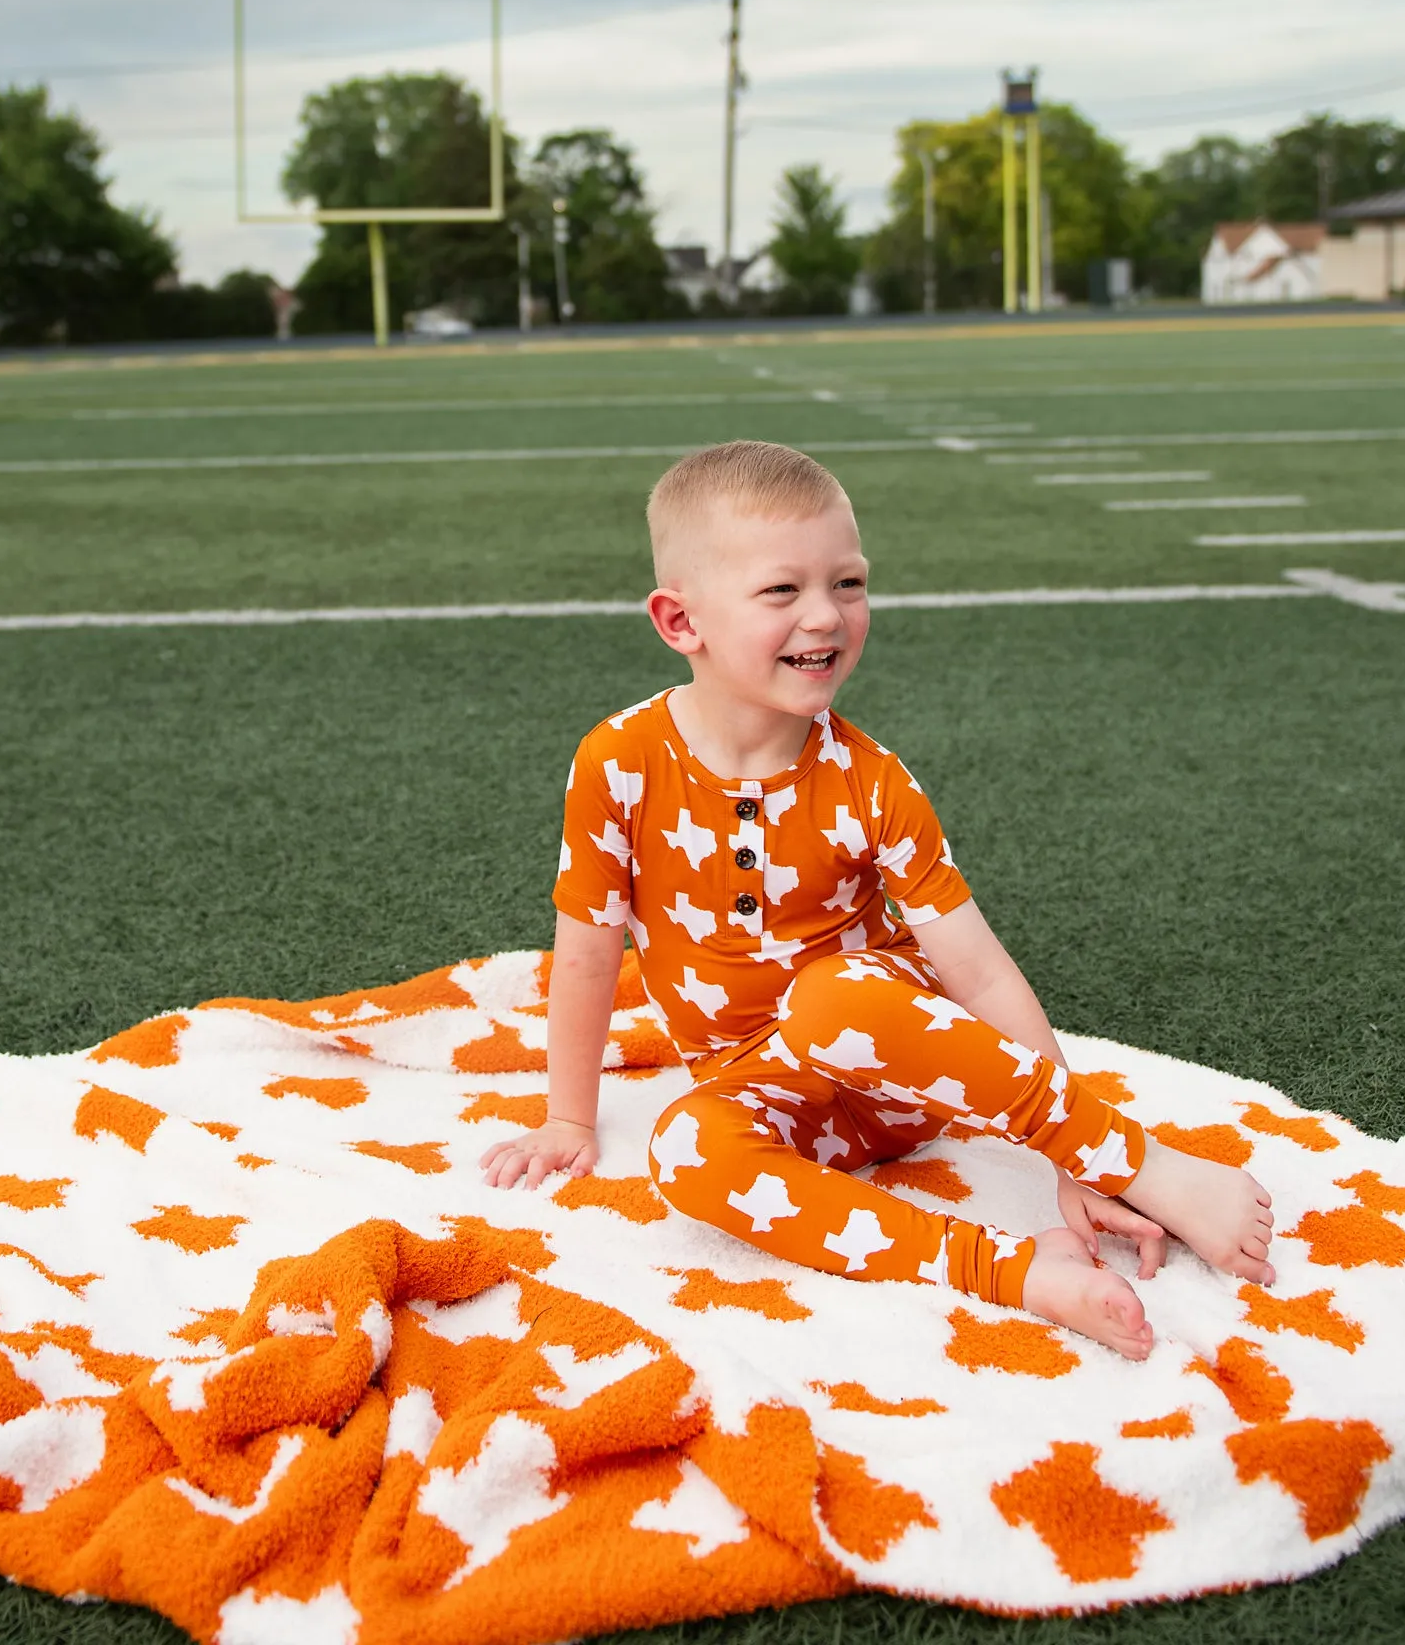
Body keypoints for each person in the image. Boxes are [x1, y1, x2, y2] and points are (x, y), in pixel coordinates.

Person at [480, 440, 1275, 1360]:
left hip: (896, 1079)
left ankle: (1145, 1166)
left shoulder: (870, 780)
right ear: (679, 620)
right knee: (685, 1148)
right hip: (770, 1099)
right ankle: (1019, 1274)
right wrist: (569, 1119)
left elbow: (975, 971)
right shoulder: (618, 762)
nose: (826, 614)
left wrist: (1073, 1159)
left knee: (834, 996)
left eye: (848, 583)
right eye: (783, 591)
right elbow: (586, 949)